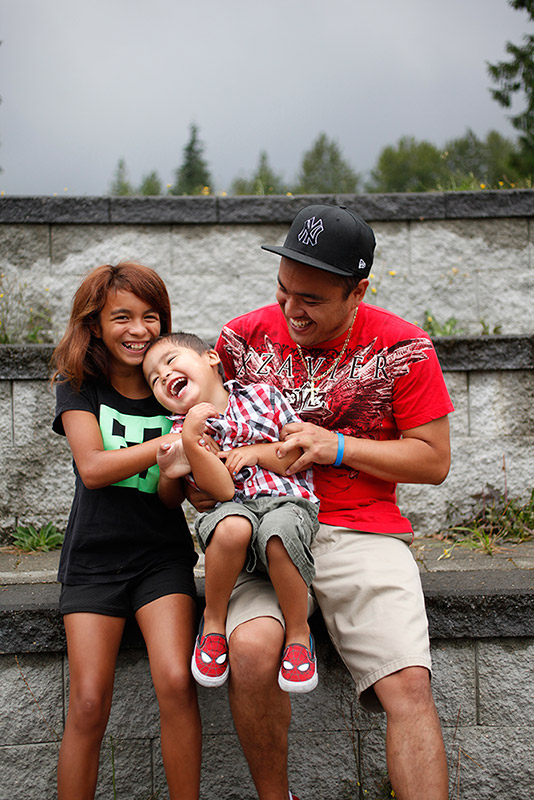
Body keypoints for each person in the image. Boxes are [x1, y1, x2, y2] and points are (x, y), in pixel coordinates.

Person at [211, 204, 453, 800]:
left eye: (313, 300)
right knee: (248, 651)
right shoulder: (239, 339)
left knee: (409, 686)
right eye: (284, 290)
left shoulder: (406, 348)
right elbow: (211, 446)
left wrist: (337, 446)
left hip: (362, 533)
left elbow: (433, 459)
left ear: (358, 291)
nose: (292, 311)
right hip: (265, 524)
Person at [51, 263, 201, 800]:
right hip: (93, 560)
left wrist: (186, 469)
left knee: (178, 684)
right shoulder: (80, 388)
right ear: (95, 325)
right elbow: (92, 468)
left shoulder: (172, 393)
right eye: (122, 317)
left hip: (161, 558)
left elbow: (170, 494)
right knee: (89, 702)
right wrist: (173, 445)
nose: (139, 330)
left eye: (150, 317)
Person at [142, 331, 320, 694]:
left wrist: (256, 452)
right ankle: (213, 622)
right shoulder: (182, 431)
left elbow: (296, 453)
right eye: (154, 380)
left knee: (279, 532)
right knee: (234, 527)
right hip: (228, 509)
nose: (164, 377)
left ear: (210, 358)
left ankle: (300, 633)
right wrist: (192, 443)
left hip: (284, 501)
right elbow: (221, 491)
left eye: (171, 362)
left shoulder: (263, 396)